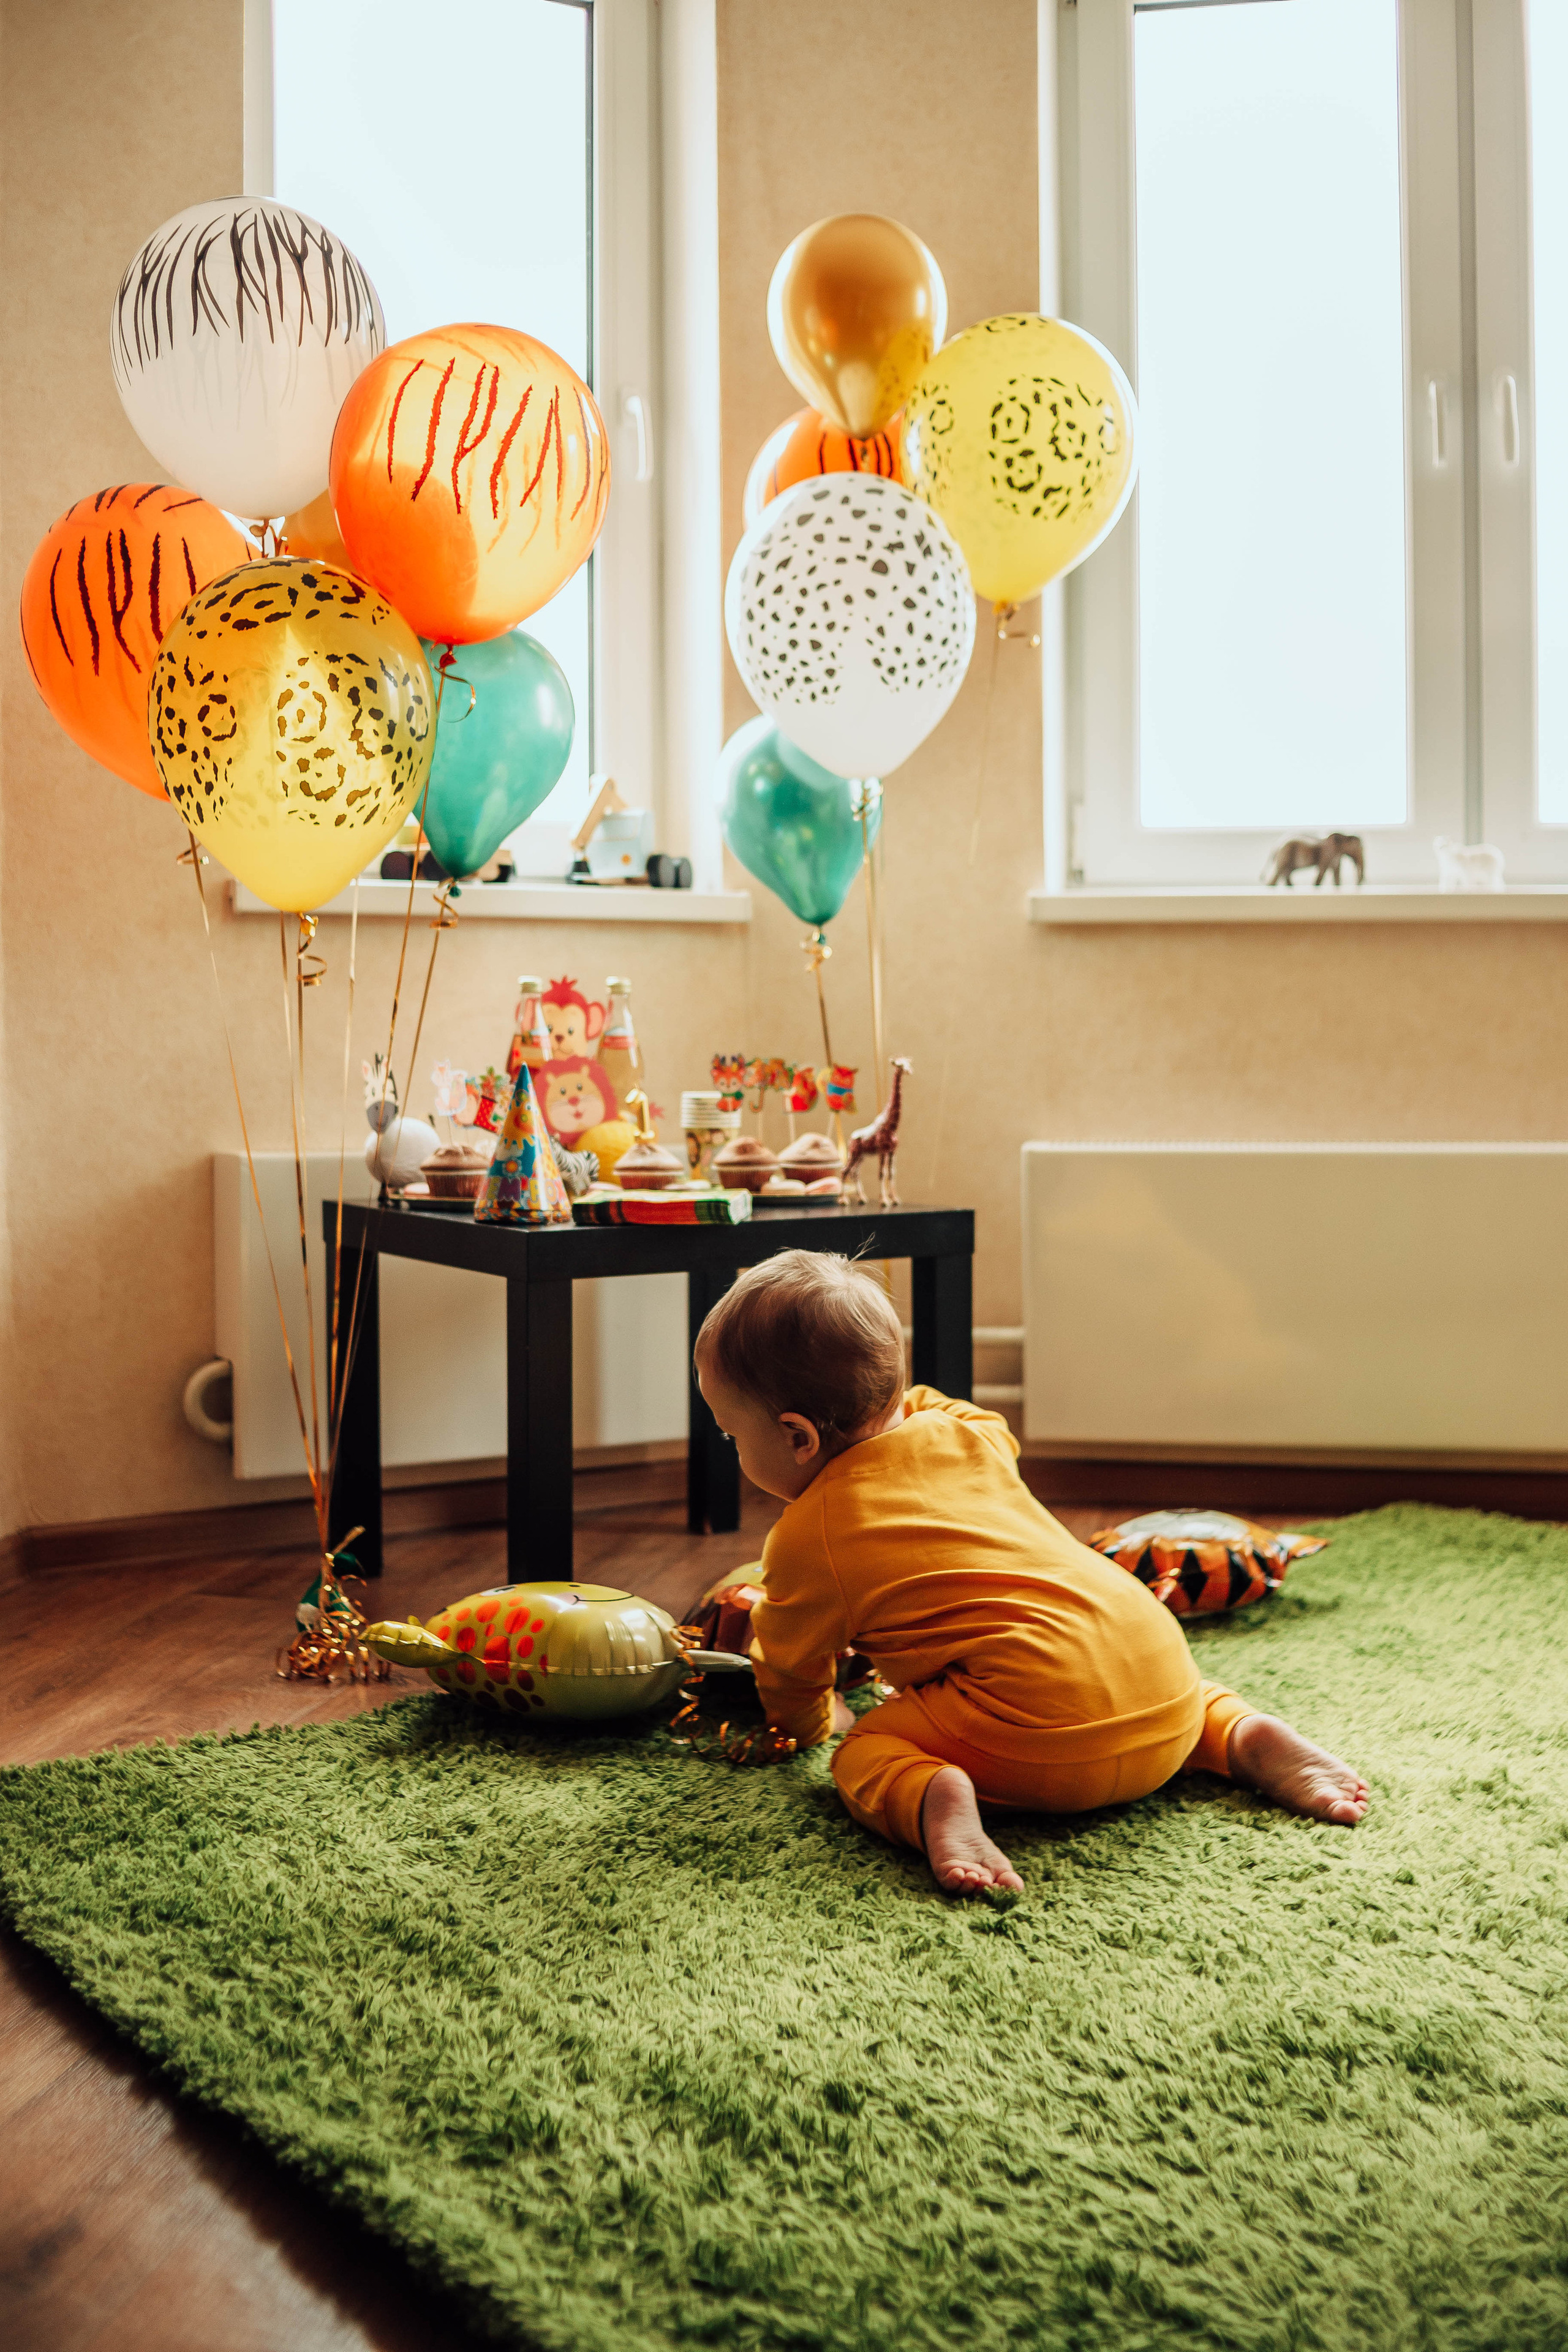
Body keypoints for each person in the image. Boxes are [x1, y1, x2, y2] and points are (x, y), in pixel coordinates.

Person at [693, 1251, 1370, 1896]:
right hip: (1162, 1675)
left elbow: (786, 1663)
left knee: (866, 1752)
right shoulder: (971, 1435)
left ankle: (932, 1795)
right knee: (1159, 1690)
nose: (730, 1445)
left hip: (1042, 1745)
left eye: (730, 1434)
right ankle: (1239, 1734)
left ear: (798, 1437)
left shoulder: (808, 1539)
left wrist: (815, 1723)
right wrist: (886, 1397)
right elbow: (957, 1412)